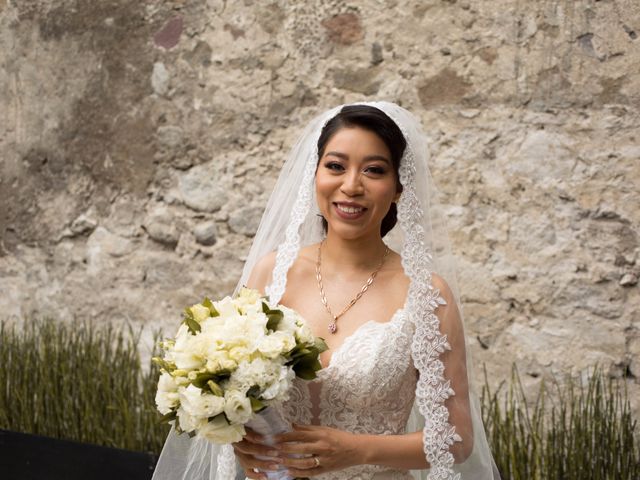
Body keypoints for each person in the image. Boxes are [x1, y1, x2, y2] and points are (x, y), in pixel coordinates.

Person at [151, 102, 500, 480]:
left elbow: (457, 439)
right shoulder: (271, 275)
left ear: (399, 187)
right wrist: (240, 439)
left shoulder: (428, 295)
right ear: (314, 175)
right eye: (335, 166)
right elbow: (230, 391)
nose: (351, 186)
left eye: (374, 170)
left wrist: (357, 449)